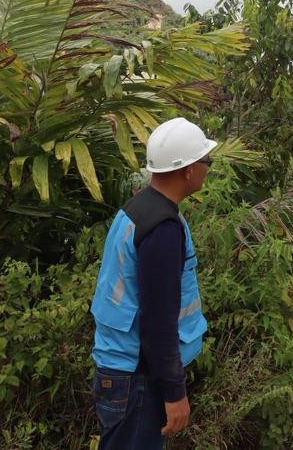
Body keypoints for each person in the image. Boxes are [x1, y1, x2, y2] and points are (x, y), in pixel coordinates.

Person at [89, 117, 216, 448]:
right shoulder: (162, 228)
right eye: (207, 161)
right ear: (188, 169)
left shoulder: (137, 208)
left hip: (122, 370)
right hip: (137, 379)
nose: (208, 167)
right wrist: (174, 393)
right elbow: (158, 320)